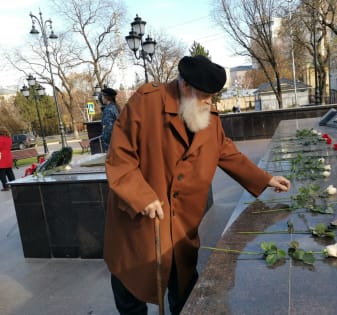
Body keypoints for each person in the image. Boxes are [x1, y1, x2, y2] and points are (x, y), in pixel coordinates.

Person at [104, 55, 291, 315]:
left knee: (184, 291)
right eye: (204, 96)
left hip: (181, 227)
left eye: (212, 97)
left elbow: (225, 151)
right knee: (131, 293)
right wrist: (141, 196)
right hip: (141, 225)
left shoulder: (207, 114)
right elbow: (119, 157)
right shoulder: (146, 103)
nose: (209, 103)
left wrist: (264, 178)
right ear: (184, 87)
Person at [100, 87, 119, 152]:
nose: (101, 98)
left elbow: (108, 129)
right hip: (117, 142)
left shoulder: (108, 109)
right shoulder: (115, 107)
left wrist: (106, 145)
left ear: (107, 97)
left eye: (102, 96)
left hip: (111, 145)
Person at [0, 127, 15, 192]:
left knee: (1, 173)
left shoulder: (0, 139)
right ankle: (14, 185)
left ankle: (6, 186)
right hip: (8, 157)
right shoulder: (9, 138)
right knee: (9, 172)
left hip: (2, 157)